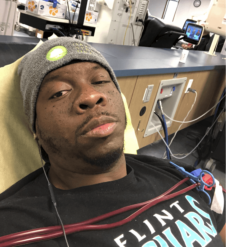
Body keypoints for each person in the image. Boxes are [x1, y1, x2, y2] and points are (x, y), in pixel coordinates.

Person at [0, 37, 225, 247]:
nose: (91, 96)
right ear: (34, 127)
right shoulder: (13, 227)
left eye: (99, 80)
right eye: (59, 92)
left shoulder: (180, 175)